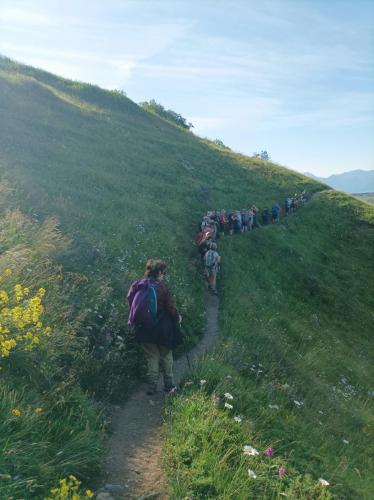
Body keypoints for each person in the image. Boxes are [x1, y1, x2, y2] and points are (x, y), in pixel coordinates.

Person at [127, 259, 182, 396]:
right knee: (166, 355)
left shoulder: (138, 284)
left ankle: (152, 386)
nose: (164, 275)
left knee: (152, 357)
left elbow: (130, 299)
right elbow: (170, 308)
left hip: (144, 328)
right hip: (163, 328)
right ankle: (168, 385)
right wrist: (178, 318)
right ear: (159, 272)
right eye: (164, 272)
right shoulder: (163, 287)